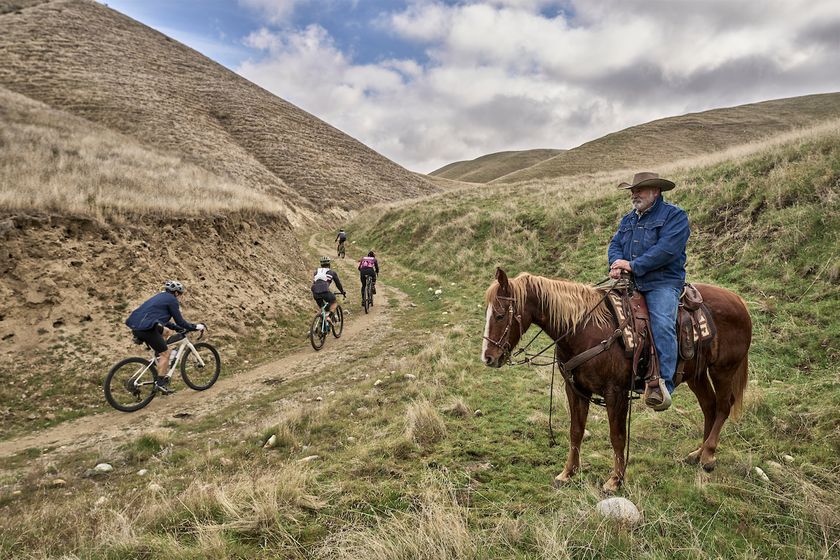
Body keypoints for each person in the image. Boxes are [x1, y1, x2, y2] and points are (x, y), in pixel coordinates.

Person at [608, 172, 690, 412]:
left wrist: (633, 266)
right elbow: (615, 244)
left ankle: (663, 383)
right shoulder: (628, 220)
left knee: (662, 323)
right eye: (633, 190)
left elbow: (667, 251)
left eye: (641, 190)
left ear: (656, 191)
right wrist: (616, 263)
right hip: (630, 282)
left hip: (662, 282)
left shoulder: (674, 216)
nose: (635, 194)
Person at [125, 280, 205, 394]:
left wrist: (175, 328)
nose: (180, 297)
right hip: (147, 329)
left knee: (166, 332)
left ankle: (160, 357)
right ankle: (161, 383)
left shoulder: (160, 297)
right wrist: (195, 327)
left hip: (136, 326)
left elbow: (160, 318)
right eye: (180, 294)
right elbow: (180, 321)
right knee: (166, 354)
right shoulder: (172, 300)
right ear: (176, 293)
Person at [312, 256, 346, 322]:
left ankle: (320, 324)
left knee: (322, 308)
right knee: (334, 302)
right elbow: (338, 284)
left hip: (315, 291)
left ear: (321, 264)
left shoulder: (316, 272)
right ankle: (328, 316)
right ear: (329, 264)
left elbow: (316, 282)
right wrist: (342, 292)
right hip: (324, 290)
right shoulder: (332, 273)